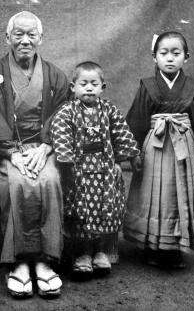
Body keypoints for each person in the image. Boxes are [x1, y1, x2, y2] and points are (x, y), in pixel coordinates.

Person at [0, 11, 69, 298]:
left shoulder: (54, 76)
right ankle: (20, 263)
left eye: (31, 35)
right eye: (18, 34)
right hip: (8, 149)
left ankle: (45, 261)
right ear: (7, 38)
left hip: (43, 147)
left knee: (49, 180)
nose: (25, 40)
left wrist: (47, 147)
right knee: (15, 184)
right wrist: (12, 153)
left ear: (41, 38)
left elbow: (65, 116)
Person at [123, 31, 194, 268]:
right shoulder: (148, 85)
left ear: (187, 57)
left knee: (179, 194)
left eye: (176, 53)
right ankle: (152, 245)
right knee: (154, 194)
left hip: (184, 144)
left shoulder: (192, 86)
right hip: (156, 147)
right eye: (163, 53)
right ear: (155, 57)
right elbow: (138, 120)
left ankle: (175, 248)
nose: (170, 58)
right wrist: (134, 153)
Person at [50, 61, 140, 276]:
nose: (89, 88)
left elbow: (121, 132)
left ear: (102, 87)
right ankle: (81, 253)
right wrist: (65, 160)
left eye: (94, 84)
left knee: (104, 209)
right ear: (73, 87)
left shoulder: (109, 110)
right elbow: (60, 132)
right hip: (78, 172)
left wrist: (130, 155)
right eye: (83, 84)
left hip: (105, 171)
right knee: (81, 212)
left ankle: (100, 251)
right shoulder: (67, 111)